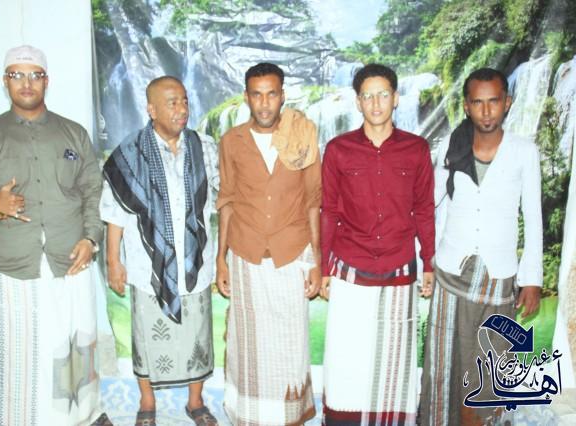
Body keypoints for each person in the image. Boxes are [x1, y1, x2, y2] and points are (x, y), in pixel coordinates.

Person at [0, 45, 109, 425]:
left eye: (35, 75)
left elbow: (93, 189)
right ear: (5, 81)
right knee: (18, 351)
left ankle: (81, 415)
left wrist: (90, 239)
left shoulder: (72, 133)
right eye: (17, 75)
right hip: (9, 264)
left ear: (46, 81)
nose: (27, 83)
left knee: (75, 342)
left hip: (70, 257)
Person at [419, 68, 542, 426]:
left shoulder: (524, 151)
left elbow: (533, 217)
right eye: (477, 102)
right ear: (466, 106)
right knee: (445, 363)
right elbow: (433, 203)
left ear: (507, 102)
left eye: (493, 101)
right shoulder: (452, 146)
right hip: (451, 272)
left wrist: (532, 279)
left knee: (489, 368)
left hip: (499, 277)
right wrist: (425, 260)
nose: (486, 111)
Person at [320, 63, 435, 425]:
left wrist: (429, 262)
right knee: (346, 357)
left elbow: (424, 209)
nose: (375, 103)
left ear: (395, 98)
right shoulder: (338, 150)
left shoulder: (416, 149)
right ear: (358, 102)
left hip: (399, 268)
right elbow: (329, 212)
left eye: (383, 94)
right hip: (349, 268)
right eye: (367, 96)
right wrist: (323, 268)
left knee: (394, 362)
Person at [101, 76, 218, 426]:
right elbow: (115, 213)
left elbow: (221, 199)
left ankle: (195, 402)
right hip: (146, 264)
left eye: (184, 101)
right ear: (151, 109)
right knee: (146, 336)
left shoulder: (204, 147)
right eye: (172, 103)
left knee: (198, 336)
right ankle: (147, 402)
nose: (181, 109)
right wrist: (113, 261)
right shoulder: (128, 153)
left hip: (195, 262)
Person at [216, 62, 321, 425]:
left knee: (290, 345)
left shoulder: (302, 136)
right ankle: (250, 416)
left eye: (271, 94)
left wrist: (317, 261)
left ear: (282, 95)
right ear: (246, 97)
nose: (264, 103)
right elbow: (227, 200)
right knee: (248, 347)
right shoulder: (232, 142)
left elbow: (313, 201)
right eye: (257, 95)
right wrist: (220, 259)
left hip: (291, 253)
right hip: (245, 256)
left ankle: (289, 416)